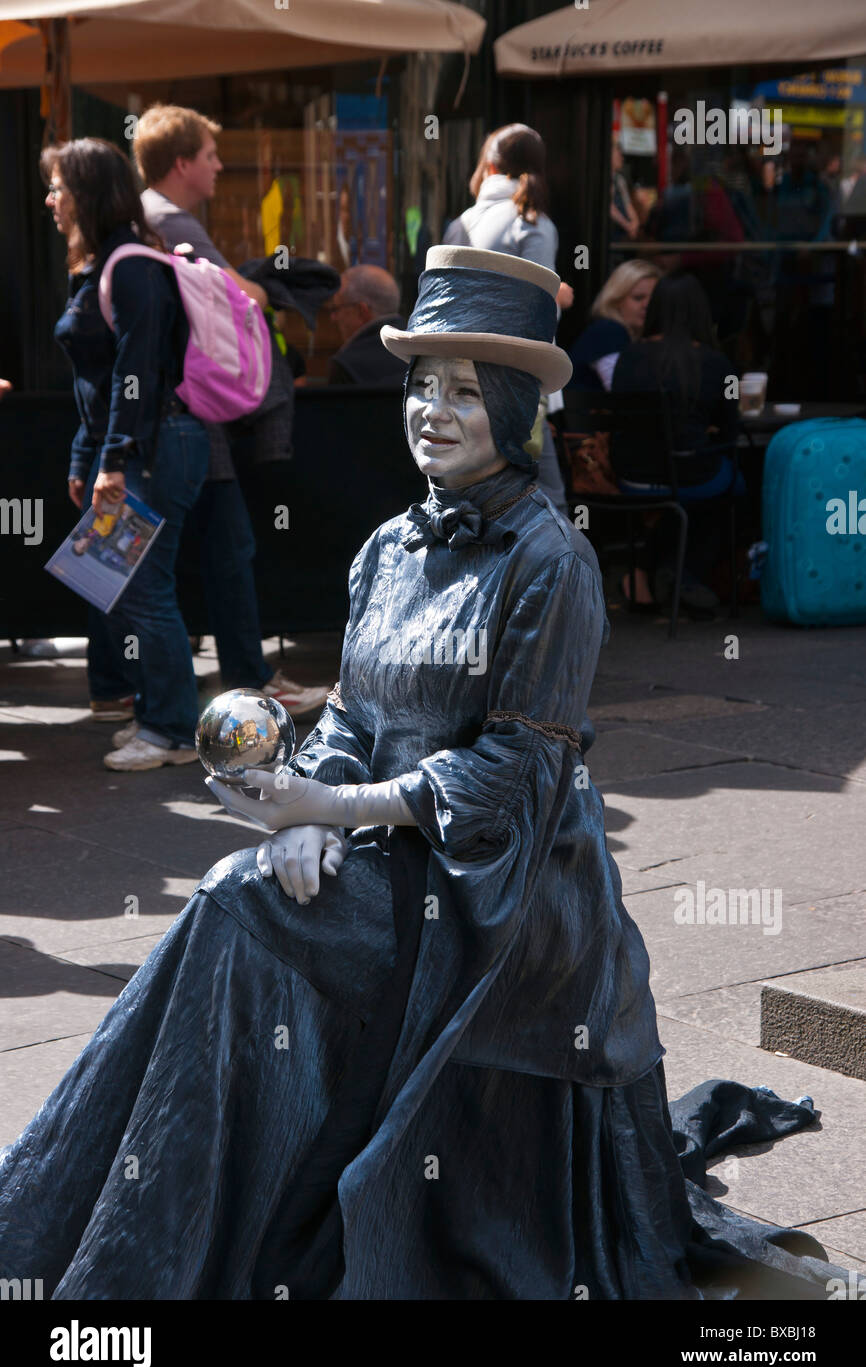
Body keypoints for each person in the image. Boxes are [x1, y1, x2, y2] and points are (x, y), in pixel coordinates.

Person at [0, 244, 848, 1301]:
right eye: (420, 385)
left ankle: (133, 1254)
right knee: (242, 906)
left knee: (231, 906)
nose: (430, 412)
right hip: (389, 854)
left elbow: (514, 772)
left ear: (509, 403)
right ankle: (96, 1223)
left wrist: (336, 807)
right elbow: (357, 708)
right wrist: (305, 812)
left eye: (461, 391)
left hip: (507, 891)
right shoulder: (385, 549)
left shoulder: (552, 561)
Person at [131, 102, 329, 724]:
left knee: (149, 556)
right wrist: (267, 289)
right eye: (212, 155)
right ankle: (227, 687)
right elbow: (231, 293)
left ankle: (125, 687)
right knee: (205, 554)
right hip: (189, 420)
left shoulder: (143, 215)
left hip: (164, 422)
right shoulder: (173, 220)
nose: (220, 166)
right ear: (184, 162)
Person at [41, 137, 212, 770]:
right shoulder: (105, 265)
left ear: (88, 193)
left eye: (58, 186)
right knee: (109, 582)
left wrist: (110, 459)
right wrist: (85, 457)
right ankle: (157, 714)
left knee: (141, 590)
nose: (50, 199)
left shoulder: (133, 267)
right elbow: (103, 378)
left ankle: (170, 729)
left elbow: (135, 374)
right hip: (141, 447)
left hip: (155, 448)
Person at [443, 122, 573, 514]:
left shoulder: (459, 223)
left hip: (462, 380)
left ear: (490, 166)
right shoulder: (528, 221)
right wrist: (559, 295)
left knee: (477, 494)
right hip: (516, 379)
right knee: (549, 499)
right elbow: (536, 309)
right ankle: (562, 576)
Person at [611, 271, 744, 614]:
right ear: (702, 312)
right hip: (691, 472)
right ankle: (687, 572)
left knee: (678, 493)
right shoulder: (716, 362)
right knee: (735, 482)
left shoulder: (629, 356)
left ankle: (658, 568)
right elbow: (732, 431)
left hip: (630, 476)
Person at [567, 259, 662, 391]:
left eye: (655, 300)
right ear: (616, 301)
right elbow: (622, 391)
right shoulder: (609, 330)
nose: (647, 305)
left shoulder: (630, 334)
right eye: (638, 298)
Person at [325, 266, 408, 386]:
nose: (333, 317)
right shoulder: (422, 351)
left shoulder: (347, 366)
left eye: (336, 309)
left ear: (361, 311)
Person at [610, 137, 640, 243]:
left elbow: (628, 204)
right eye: (619, 154)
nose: (622, 159)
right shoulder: (605, 180)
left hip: (625, 233)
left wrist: (635, 223)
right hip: (613, 233)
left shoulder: (620, 180)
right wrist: (627, 225)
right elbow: (610, 208)